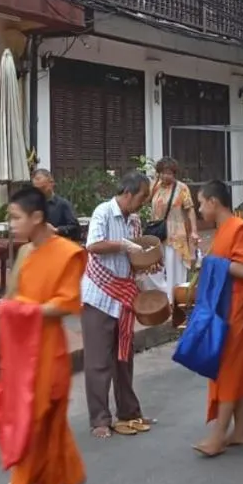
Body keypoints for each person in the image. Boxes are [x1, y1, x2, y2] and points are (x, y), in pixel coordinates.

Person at [0, 185, 86, 484]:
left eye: (15, 217)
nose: (11, 224)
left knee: (32, 430)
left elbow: (65, 304)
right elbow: (9, 299)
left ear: (37, 217)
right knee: (51, 426)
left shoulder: (68, 253)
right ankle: (73, 477)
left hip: (49, 357)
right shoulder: (24, 253)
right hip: (21, 355)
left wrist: (23, 310)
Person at [195, 180, 243, 457]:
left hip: (236, 308)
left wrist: (211, 263)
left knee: (228, 369)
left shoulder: (238, 227)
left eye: (201, 203)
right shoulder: (223, 229)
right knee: (233, 368)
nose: (199, 209)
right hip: (224, 306)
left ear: (213, 202)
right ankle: (241, 431)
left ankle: (218, 436)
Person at [81, 171, 152, 439]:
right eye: (142, 197)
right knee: (98, 361)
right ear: (128, 193)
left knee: (124, 358)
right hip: (99, 295)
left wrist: (147, 261)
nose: (143, 203)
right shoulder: (103, 212)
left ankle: (129, 412)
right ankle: (99, 419)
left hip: (124, 296)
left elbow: (136, 256)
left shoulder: (134, 221)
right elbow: (93, 245)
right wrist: (125, 245)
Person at [150, 157, 199, 306]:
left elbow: (190, 210)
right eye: (163, 172)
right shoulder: (155, 186)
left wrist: (194, 231)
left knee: (174, 268)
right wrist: (154, 182)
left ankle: (175, 300)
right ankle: (163, 296)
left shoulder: (181, 188)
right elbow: (145, 200)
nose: (167, 176)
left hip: (176, 234)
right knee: (153, 268)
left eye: (170, 173)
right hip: (158, 233)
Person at [31, 168, 81, 241]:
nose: (40, 192)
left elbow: (75, 228)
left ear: (51, 183)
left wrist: (57, 230)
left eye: (43, 188)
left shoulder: (63, 204)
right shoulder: (31, 205)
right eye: (37, 189)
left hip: (58, 245)